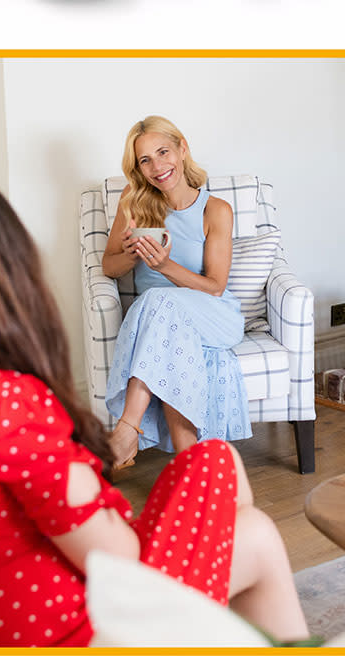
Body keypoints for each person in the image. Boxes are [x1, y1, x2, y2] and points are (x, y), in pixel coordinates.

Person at [0, 171, 309, 647]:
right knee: (255, 533)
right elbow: (117, 554)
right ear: (6, 276)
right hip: (79, 622)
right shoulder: (8, 406)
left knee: (215, 458)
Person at [102, 116, 249, 469]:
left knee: (159, 299)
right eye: (145, 160)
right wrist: (132, 253)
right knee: (169, 334)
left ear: (182, 149)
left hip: (213, 315)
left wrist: (163, 266)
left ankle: (127, 428)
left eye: (163, 152)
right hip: (160, 321)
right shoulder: (133, 199)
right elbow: (109, 266)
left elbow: (215, 286)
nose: (157, 166)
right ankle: (191, 469)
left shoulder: (215, 210)